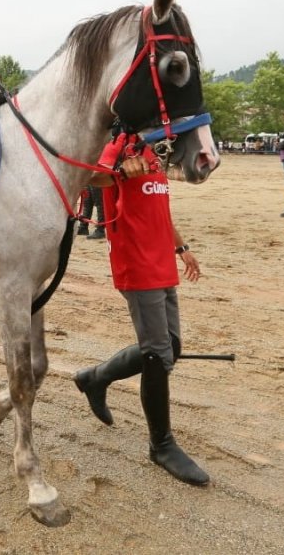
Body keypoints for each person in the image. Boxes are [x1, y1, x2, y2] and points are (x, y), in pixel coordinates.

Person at [72, 132, 209, 486]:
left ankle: (95, 378)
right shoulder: (118, 146)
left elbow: (159, 210)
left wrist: (182, 248)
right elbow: (89, 176)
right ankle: (161, 445)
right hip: (136, 263)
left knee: (171, 347)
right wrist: (119, 170)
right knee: (157, 354)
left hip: (162, 260)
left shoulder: (153, 152)